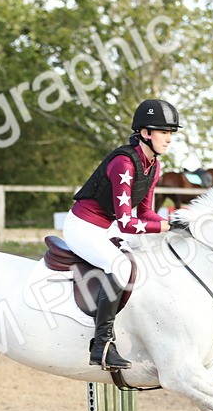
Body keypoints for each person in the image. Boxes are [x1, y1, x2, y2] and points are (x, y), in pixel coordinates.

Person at [66, 98, 183, 370]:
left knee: (152, 253)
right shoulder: (124, 163)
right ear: (145, 133)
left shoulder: (154, 166)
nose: (169, 139)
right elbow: (128, 222)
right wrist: (166, 226)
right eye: (163, 132)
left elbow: (147, 214)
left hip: (108, 226)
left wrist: (175, 223)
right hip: (83, 227)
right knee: (119, 266)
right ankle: (102, 345)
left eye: (171, 134)